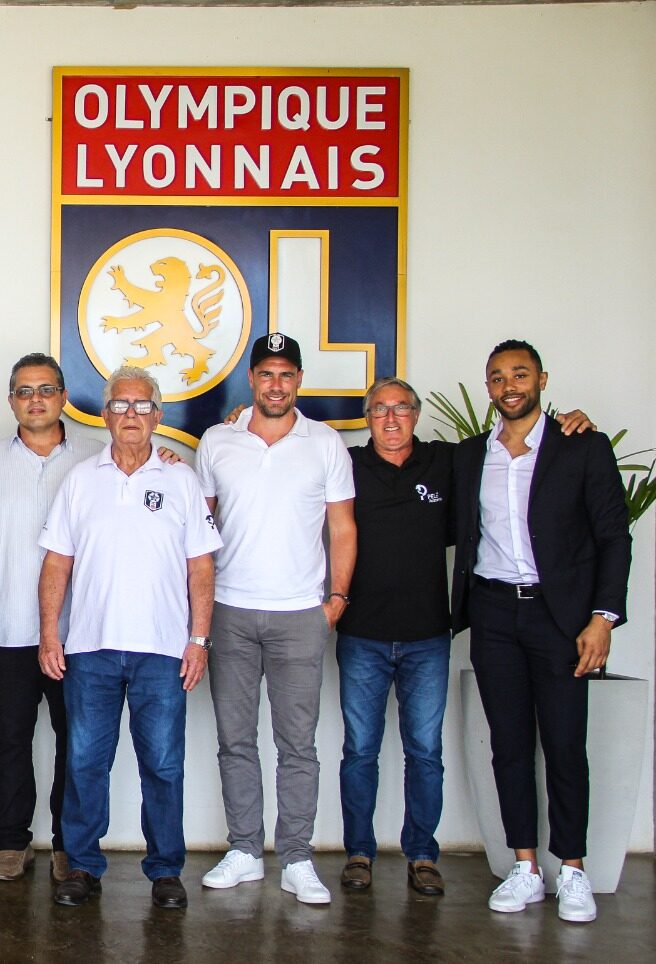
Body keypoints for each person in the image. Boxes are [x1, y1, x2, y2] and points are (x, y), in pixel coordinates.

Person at [331, 378, 594, 897]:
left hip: (429, 635)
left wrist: (571, 426)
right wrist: (236, 421)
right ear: (366, 418)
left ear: (416, 413)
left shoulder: (449, 462)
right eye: (379, 410)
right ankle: (358, 852)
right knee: (360, 751)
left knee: (425, 752)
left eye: (401, 408)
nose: (390, 419)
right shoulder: (345, 465)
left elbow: (519, 448)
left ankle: (422, 855)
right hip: (361, 634)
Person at [451, 339, 630, 924]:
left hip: (561, 618)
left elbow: (613, 538)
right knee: (508, 747)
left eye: (520, 374)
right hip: (496, 614)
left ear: (542, 380)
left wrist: (602, 618)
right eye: (498, 376)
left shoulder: (583, 447)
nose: (509, 385)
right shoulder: (471, 454)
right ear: (489, 387)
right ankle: (525, 867)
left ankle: (572, 868)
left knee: (563, 745)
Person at [38, 366, 219, 909]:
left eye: (142, 406)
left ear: (158, 416)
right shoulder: (81, 480)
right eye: (121, 405)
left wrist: (200, 639)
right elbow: (56, 564)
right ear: (105, 414)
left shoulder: (181, 481)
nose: (131, 416)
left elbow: (201, 568)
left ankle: (165, 871)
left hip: (163, 651)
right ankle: (83, 867)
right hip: (90, 647)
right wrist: (50, 632)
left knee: (162, 765)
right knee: (86, 762)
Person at [195, 332, 355, 905]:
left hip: (298, 615)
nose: (277, 384)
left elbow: (341, 527)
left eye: (287, 374)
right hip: (232, 611)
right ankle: (244, 850)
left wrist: (334, 601)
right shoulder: (218, 440)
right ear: (252, 380)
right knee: (235, 740)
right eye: (266, 374)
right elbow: (199, 528)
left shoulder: (326, 443)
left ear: (298, 382)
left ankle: (296, 857)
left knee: (298, 744)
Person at [0, 353, 98, 883]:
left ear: (64, 396)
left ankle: (70, 843)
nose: (36, 399)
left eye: (46, 389)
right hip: (3, 626)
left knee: (78, 741)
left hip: (79, 630)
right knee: (8, 740)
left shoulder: (98, 458)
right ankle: (13, 843)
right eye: (24, 391)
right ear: (11, 401)